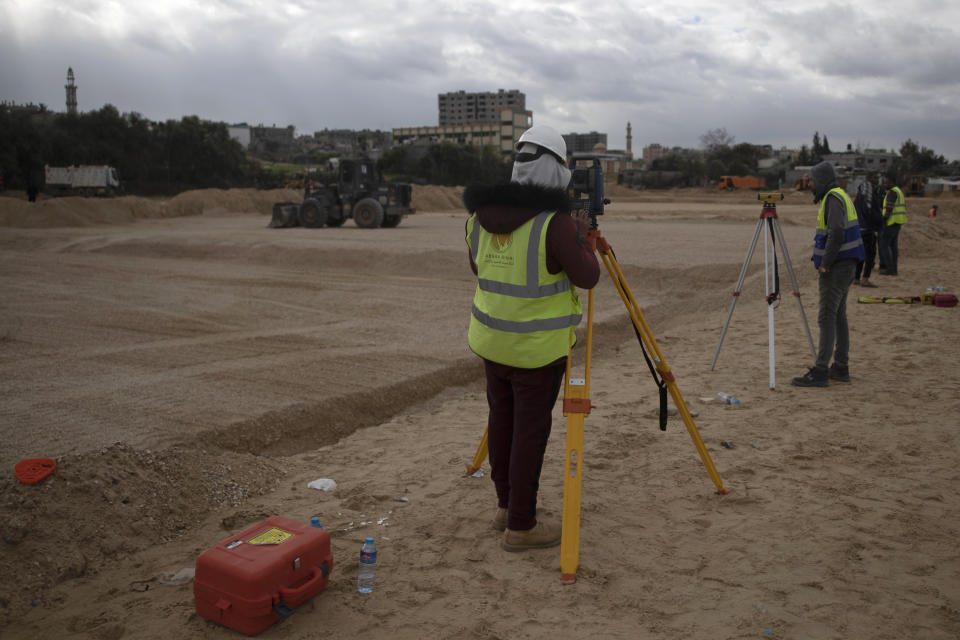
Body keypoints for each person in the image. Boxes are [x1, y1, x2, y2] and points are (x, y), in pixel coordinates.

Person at [463, 124, 600, 551]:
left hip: (492, 342)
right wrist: (582, 239)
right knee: (529, 433)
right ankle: (521, 526)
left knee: (502, 421)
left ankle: (506, 507)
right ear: (557, 170)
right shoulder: (553, 224)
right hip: (537, 352)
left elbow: (481, 269)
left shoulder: (477, 217)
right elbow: (588, 276)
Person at [793, 161, 865, 388]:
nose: (810, 186)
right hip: (847, 264)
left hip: (837, 267)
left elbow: (836, 231)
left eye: (812, 181)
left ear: (822, 180)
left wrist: (825, 263)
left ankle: (822, 370)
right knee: (838, 315)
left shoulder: (833, 198)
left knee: (826, 316)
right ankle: (841, 366)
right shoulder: (840, 196)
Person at [852, 173, 883, 288]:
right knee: (870, 255)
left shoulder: (861, 193)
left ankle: (856, 278)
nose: (877, 180)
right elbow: (870, 211)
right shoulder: (869, 193)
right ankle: (865, 279)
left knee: (861, 253)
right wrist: (877, 225)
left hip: (858, 228)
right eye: (875, 178)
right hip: (868, 228)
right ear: (869, 178)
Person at [878, 173, 907, 276]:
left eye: (886, 182)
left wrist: (884, 219)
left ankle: (889, 268)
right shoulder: (899, 191)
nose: (885, 184)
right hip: (898, 222)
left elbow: (889, 208)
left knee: (884, 246)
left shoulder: (892, 192)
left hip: (891, 222)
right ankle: (894, 269)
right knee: (894, 247)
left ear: (891, 182)